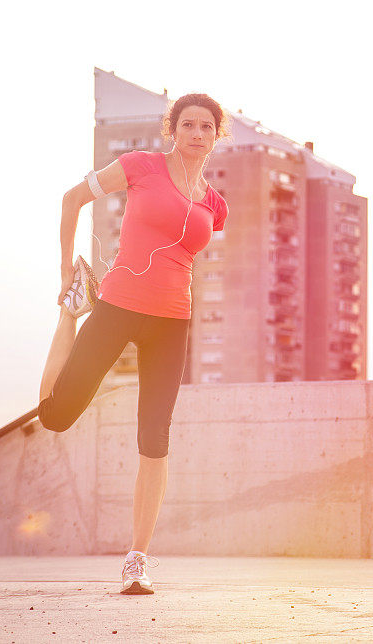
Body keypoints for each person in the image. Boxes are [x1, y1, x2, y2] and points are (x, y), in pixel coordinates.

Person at [37, 93, 230, 595]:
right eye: (187, 124)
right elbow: (72, 199)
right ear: (173, 130)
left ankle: (136, 559)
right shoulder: (139, 166)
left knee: (155, 437)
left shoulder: (215, 203)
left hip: (172, 322)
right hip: (118, 305)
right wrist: (64, 273)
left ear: (216, 135)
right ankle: (69, 314)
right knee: (56, 415)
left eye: (206, 126)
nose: (195, 133)